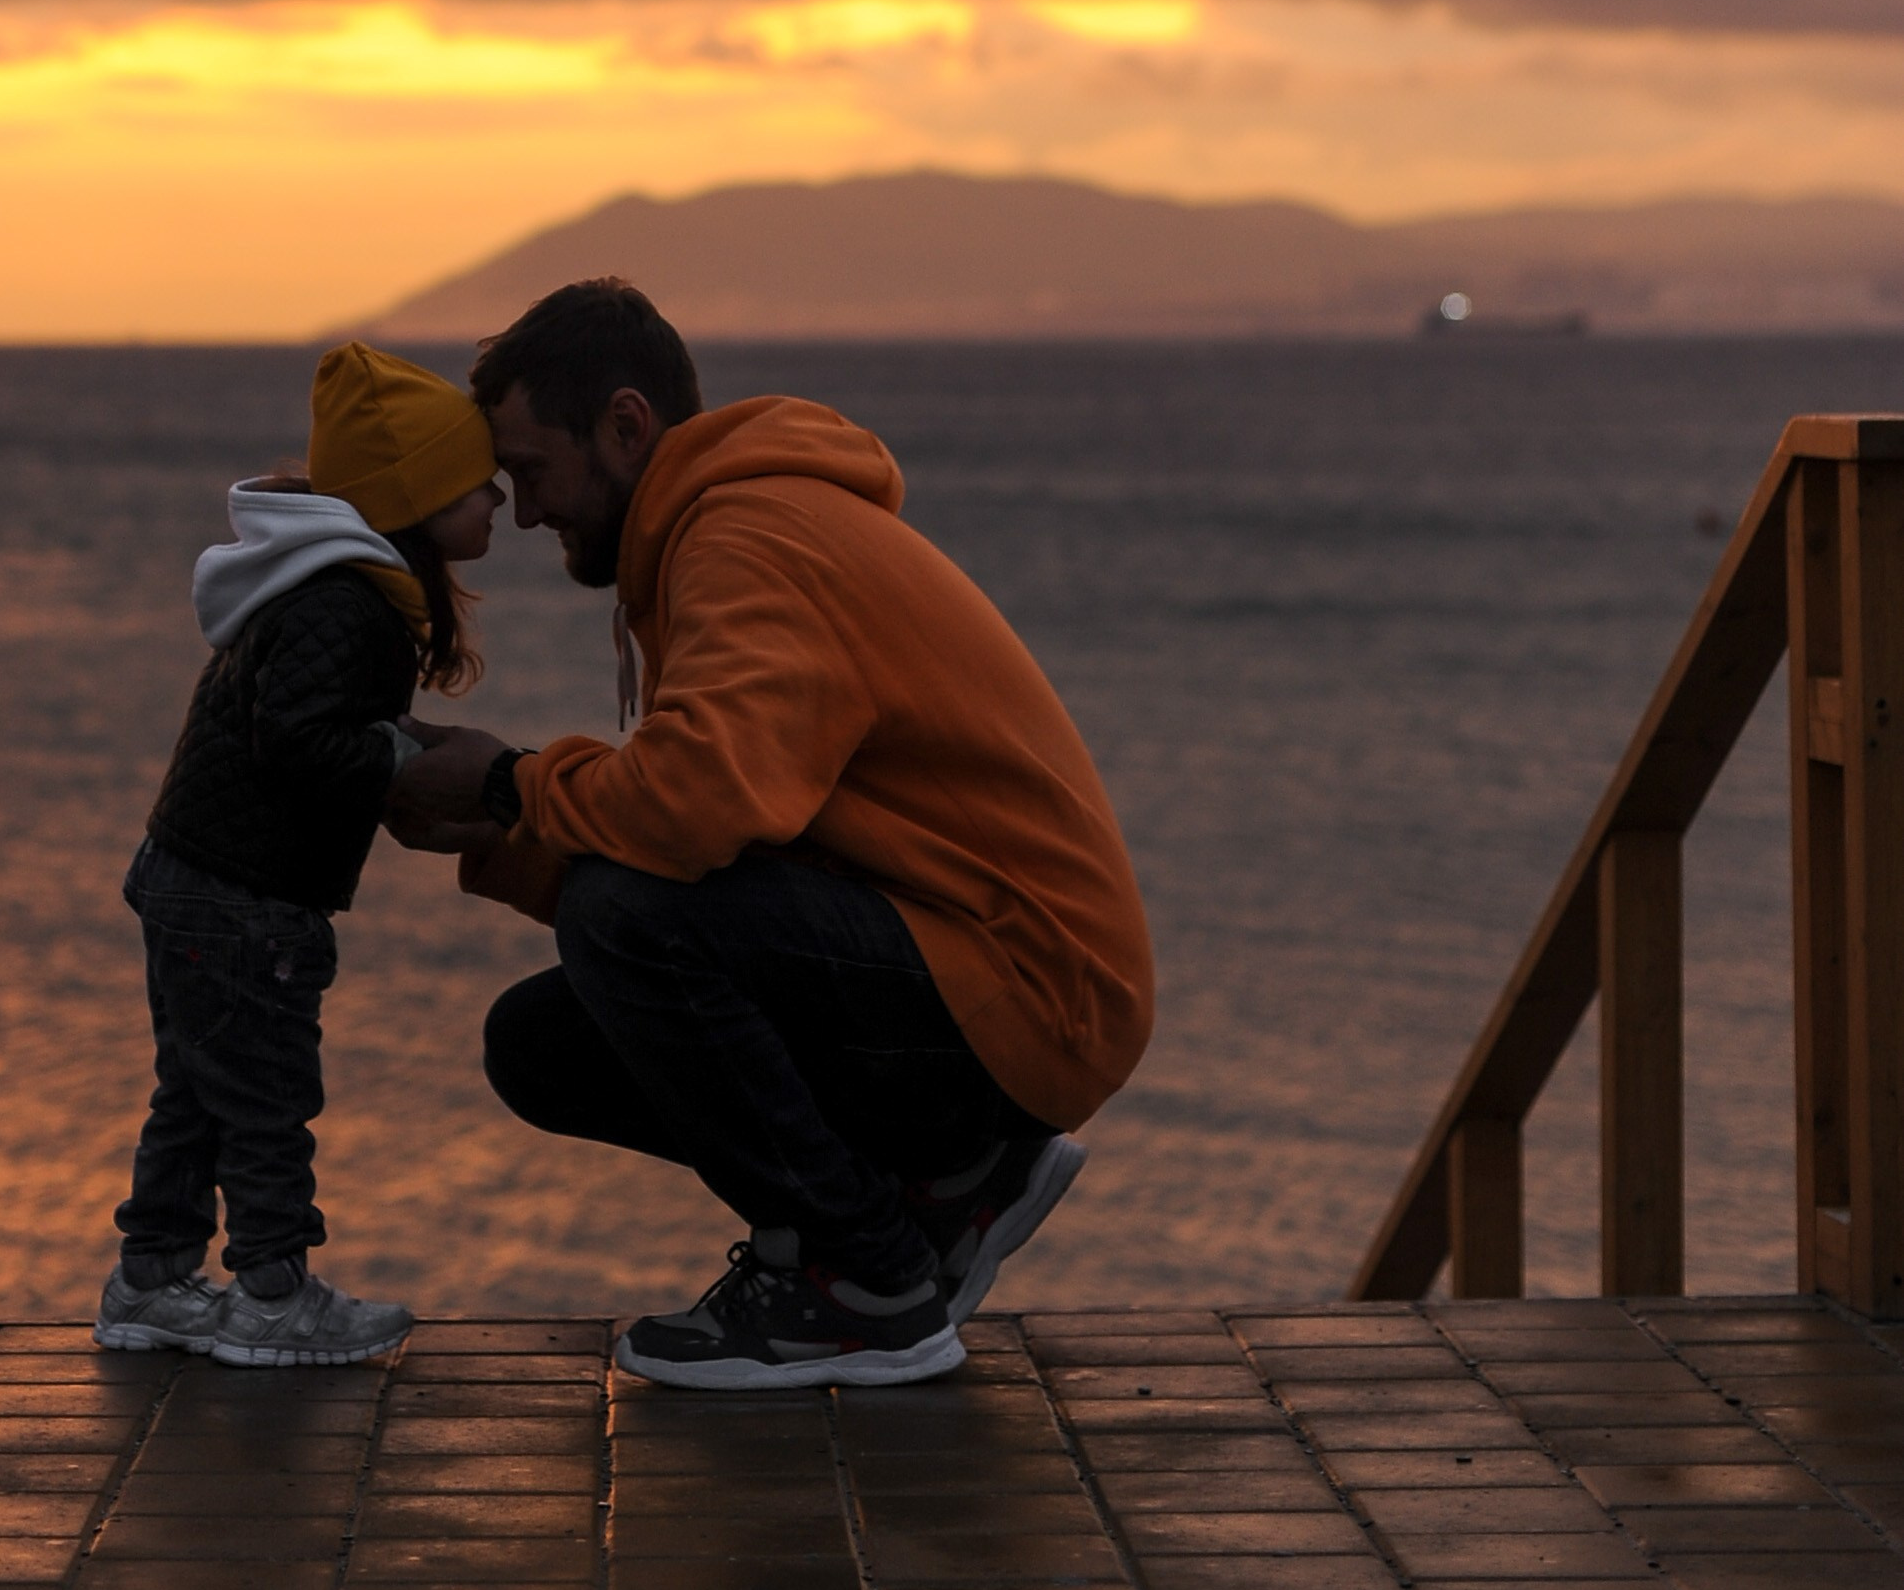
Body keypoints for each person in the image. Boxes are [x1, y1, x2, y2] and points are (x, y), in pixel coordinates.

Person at [387, 279, 1154, 1392]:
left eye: (534, 471)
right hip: (979, 972)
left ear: (624, 424)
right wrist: (500, 823)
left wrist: (511, 784)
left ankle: (864, 1283)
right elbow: (739, 840)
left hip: (1029, 992)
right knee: (542, 1041)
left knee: (619, 920)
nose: (529, 513)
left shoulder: (751, 537)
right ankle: (943, 1187)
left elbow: (698, 804)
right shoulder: (725, 533)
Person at [94, 342, 501, 1366]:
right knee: (268, 1094)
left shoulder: (321, 588)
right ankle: (272, 1293)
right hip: (245, 895)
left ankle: (150, 1280)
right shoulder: (349, 603)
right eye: (473, 481)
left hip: (189, 873)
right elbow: (298, 739)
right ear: (412, 496)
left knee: (198, 1088)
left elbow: (295, 725)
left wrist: (393, 748)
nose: (498, 496)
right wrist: (401, 756)